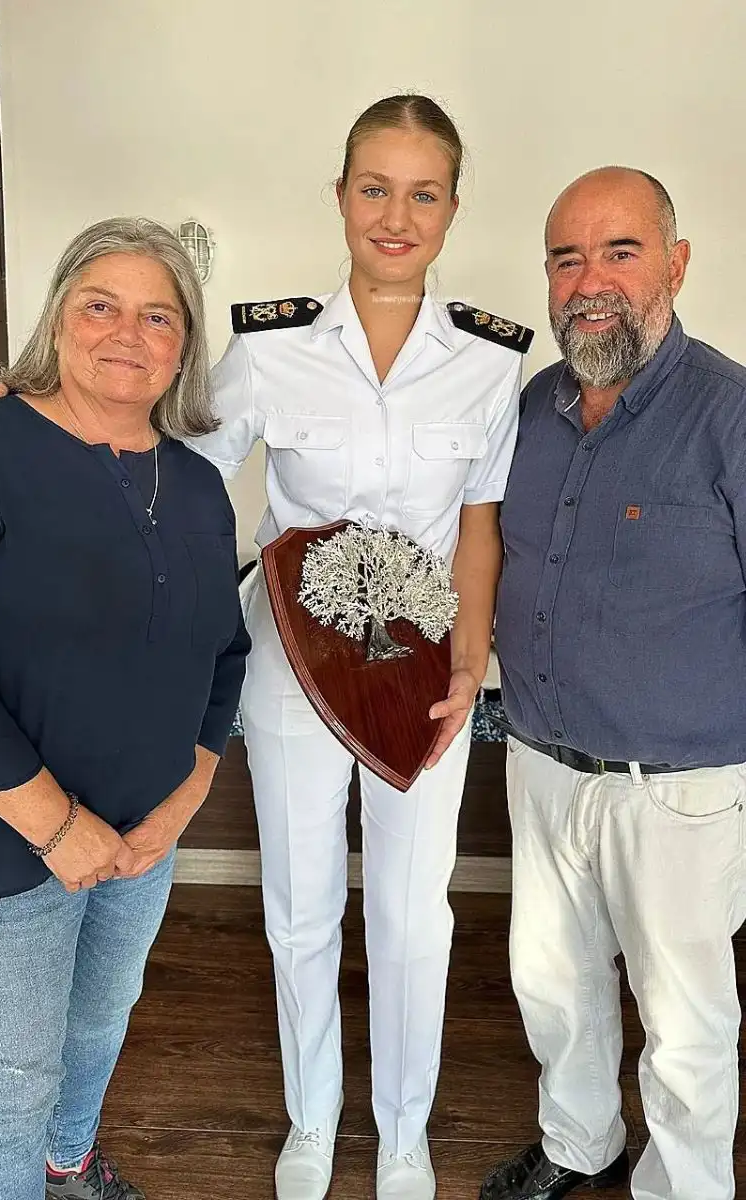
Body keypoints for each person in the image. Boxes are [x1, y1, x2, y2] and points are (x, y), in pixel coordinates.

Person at [0, 95, 533, 1200]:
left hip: (423, 677)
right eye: (374, 187)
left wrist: (467, 659)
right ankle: (312, 1119)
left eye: (421, 193)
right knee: (299, 904)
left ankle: (401, 1132)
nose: (394, 215)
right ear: (341, 196)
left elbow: (478, 524)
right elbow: (150, 451)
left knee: (413, 914)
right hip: (287, 668)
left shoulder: (491, 360)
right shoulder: (267, 348)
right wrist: (12, 407)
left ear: (452, 208)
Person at [0, 218, 249, 1200]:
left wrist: (181, 804)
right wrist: (60, 828)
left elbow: (225, 656)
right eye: (101, 305)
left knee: (97, 1022)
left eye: (158, 316)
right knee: (8, 1085)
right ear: (59, 319)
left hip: (141, 848)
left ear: (183, 348)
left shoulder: (199, 486)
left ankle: (68, 1164)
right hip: (6, 852)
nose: (129, 333)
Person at [482, 166, 746, 1200]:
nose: (587, 280)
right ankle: (576, 1143)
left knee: (682, 1023)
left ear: (674, 264)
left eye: (618, 251)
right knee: (553, 989)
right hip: (539, 762)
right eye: (564, 257)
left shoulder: (727, 415)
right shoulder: (529, 412)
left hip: (675, 787)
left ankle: (680, 1187)